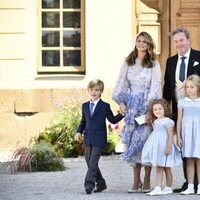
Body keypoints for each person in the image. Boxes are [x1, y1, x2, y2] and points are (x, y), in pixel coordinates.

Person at [112, 31, 162, 193]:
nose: (140, 44)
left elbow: (156, 87)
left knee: (145, 142)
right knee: (133, 143)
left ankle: (147, 179)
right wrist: (121, 102)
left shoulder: (154, 64)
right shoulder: (128, 62)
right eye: (138, 41)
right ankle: (136, 180)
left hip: (147, 107)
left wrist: (151, 111)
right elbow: (121, 83)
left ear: (149, 45)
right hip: (132, 109)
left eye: (144, 41)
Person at [163, 27, 200, 192]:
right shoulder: (170, 61)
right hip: (179, 110)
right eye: (176, 42)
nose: (179, 44)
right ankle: (189, 183)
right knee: (186, 145)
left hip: (197, 110)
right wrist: (164, 110)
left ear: (188, 40)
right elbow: (168, 87)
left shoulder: (199, 57)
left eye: (181, 40)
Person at [74, 79, 125, 194]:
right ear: (88, 91)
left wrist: (121, 114)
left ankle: (89, 185)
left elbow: (112, 119)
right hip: (88, 138)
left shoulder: (104, 106)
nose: (93, 92)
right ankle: (101, 183)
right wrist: (78, 132)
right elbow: (83, 122)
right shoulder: (85, 106)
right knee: (88, 161)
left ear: (101, 91)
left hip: (99, 138)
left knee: (93, 162)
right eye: (91, 89)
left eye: (96, 90)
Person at [142, 99, 182, 196]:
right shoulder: (155, 121)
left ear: (165, 109)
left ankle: (166, 188)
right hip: (157, 148)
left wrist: (168, 147)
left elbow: (170, 135)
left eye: (160, 109)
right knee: (159, 167)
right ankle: (159, 188)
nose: (157, 111)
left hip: (165, 146)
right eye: (155, 109)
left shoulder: (168, 121)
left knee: (166, 168)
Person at [176, 74, 200, 195]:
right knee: (189, 160)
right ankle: (190, 186)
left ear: (198, 87)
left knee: (199, 159)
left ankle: (199, 186)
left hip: (198, 135)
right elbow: (179, 120)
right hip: (187, 135)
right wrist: (179, 137)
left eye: (192, 87)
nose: (189, 89)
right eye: (187, 87)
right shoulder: (182, 102)